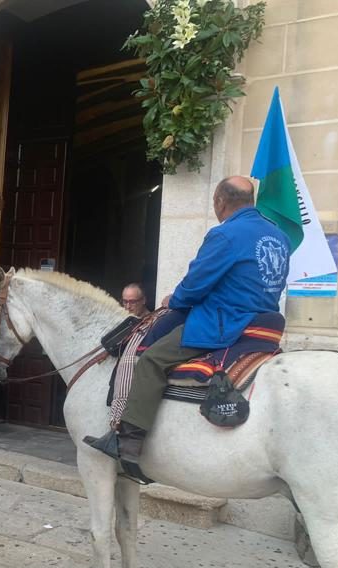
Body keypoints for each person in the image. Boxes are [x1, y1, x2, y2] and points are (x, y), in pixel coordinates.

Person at [85, 176, 290, 483]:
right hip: (265, 328)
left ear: (220, 202)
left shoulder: (225, 234)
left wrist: (173, 299)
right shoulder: (278, 235)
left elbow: (195, 286)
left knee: (152, 357)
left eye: (215, 204)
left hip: (225, 323)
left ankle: (127, 440)